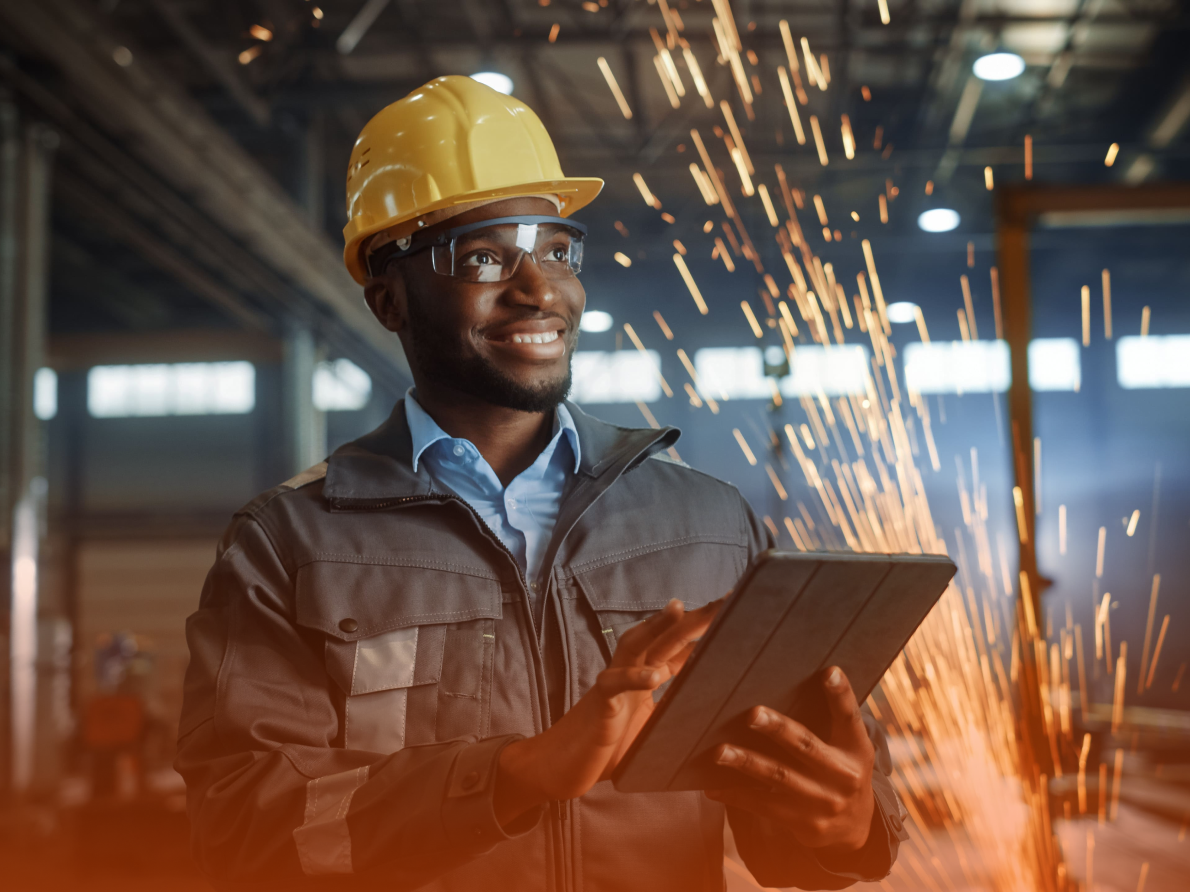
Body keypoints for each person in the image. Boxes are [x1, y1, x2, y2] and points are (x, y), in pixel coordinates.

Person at [176, 75, 906, 891]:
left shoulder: (708, 525)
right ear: (389, 298)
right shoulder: (291, 544)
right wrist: (516, 776)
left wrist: (846, 828)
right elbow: (245, 834)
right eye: (484, 255)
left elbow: (790, 806)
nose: (539, 290)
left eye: (557, 251)